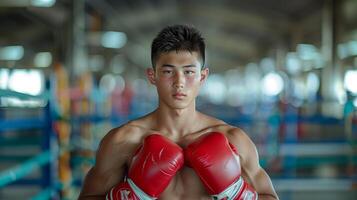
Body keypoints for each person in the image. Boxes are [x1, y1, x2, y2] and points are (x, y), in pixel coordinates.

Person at [79, 24, 278, 200]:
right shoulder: (124, 140)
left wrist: (236, 193)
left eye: (189, 72)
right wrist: (131, 195)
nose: (179, 82)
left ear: (202, 76)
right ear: (152, 75)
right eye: (168, 71)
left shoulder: (233, 139)